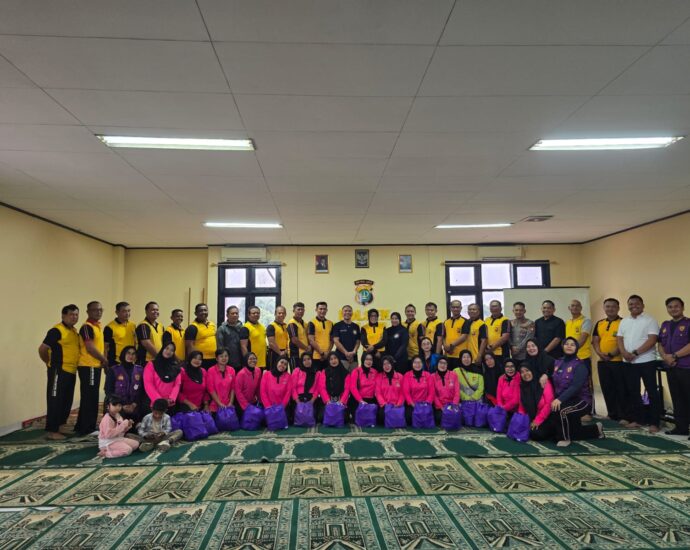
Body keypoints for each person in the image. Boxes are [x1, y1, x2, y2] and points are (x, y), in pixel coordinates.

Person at [616, 295, 661, 432]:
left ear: (643, 305)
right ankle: (638, 419)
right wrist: (624, 353)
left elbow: (652, 340)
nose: (634, 306)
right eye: (631, 304)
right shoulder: (624, 321)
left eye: (637, 303)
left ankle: (654, 423)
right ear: (628, 306)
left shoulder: (650, 320)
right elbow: (619, 339)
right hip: (628, 362)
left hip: (646, 361)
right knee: (633, 392)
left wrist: (635, 353)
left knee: (652, 392)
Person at [39, 304, 80, 440]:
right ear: (63, 316)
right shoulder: (56, 330)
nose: (74, 317)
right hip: (58, 370)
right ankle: (52, 430)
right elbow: (42, 349)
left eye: (76, 314)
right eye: (71, 314)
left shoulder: (74, 331)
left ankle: (61, 425)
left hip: (71, 371)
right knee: (55, 400)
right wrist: (49, 363)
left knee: (66, 400)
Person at [551, 337, 603, 446]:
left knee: (562, 411)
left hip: (581, 400)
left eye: (572, 344)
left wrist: (559, 399)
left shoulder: (580, 365)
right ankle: (596, 429)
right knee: (574, 433)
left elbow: (575, 386)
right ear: (563, 346)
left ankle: (564, 438)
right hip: (567, 400)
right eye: (567, 344)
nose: (569, 346)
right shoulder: (558, 362)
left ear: (577, 348)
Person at [658, 297, 690, 437]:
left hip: (686, 367)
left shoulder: (688, 323)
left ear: (682, 307)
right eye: (670, 307)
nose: (673, 309)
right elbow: (660, 344)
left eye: (676, 306)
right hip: (671, 367)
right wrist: (665, 357)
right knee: (677, 399)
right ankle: (681, 428)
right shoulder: (665, 325)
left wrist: (674, 356)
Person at [75, 301, 108, 435]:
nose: (98, 312)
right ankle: (87, 428)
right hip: (88, 366)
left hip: (95, 366)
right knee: (90, 397)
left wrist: (102, 360)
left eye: (100, 310)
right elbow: (90, 347)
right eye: (95, 310)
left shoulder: (97, 326)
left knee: (91, 396)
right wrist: (104, 359)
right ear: (88, 312)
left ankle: (81, 425)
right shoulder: (86, 327)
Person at [592, 298, 624, 422]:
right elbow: (595, 340)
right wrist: (600, 353)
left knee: (620, 389)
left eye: (613, 306)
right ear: (604, 308)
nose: (610, 309)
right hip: (602, 362)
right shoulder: (600, 323)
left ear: (618, 308)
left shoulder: (623, 322)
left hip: (618, 361)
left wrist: (611, 354)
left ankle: (622, 415)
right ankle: (611, 414)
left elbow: (624, 341)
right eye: (608, 306)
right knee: (607, 388)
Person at [566, 299, 594, 418]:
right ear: (569, 308)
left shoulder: (586, 321)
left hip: (583, 358)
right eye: (572, 305)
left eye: (577, 305)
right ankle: (577, 410)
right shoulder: (568, 322)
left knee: (585, 386)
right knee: (573, 386)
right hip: (570, 360)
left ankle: (588, 412)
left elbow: (583, 338)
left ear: (581, 308)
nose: (575, 307)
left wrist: (571, 350)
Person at [104, 346, 145, 422]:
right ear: (123, 354)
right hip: (117, 405)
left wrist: (134, 404)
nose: (130, 356)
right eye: (128, 353)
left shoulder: (140, 370)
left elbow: (142, 391)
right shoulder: (114, 369)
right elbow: (108, 390)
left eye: (133, 354)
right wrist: (121, 405)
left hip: (134, 405)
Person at [518, 364, 556, 441]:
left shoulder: (544, 382)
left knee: (536, 434)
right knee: (516, 426)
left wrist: (537, 420)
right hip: (532, 418)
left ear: (533, 371)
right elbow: (522, 406)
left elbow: (549, 404)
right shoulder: (523, 385)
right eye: (522, 372)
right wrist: (521, 420)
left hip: (547, 417)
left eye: (527, 370)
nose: (525, 374)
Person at [143, 343, 182, 409]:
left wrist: (171, 398)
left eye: (172, 350)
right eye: (167, 348)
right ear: (162, 349)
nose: (168, 351)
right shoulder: (151, 365)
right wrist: (159, 400)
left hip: (169, 404)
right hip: (154, 404)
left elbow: (177, 384)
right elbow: (148, 384)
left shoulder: (176, 367)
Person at [315, 352, 352, 423]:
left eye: (335, 358)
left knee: (345, 418)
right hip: (328, 401)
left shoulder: (345, 373)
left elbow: (347, 389)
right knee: (321, 417)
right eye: (331, 359)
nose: (333, 361)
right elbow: (322, 388)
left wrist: (341, 402)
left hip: (340, 401)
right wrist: (327, 401)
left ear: (338, 359)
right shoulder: (324, 372)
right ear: (329, 361)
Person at [402, 356, 435, 425]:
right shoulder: (407, 375)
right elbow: (406, 393)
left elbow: (431, 392)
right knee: (409, 418)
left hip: (425, 404)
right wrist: (413, 404)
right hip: (412, 404)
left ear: (422, 364)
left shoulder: (428, 375)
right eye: (415, 362)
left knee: (428, 417)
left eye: (419, 362)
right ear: (412, 364)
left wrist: (426, 404)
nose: (417, 365)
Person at [348, 351, 379, 420]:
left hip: (371, 400)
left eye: (370, 359)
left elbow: (377, 388)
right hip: (357, 400)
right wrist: (361, 400)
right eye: (366, 359)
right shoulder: (356, 371)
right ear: (362, 360)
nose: (369, 361)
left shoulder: (375, 372)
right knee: (359, 418)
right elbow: (353, 388)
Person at [103, 302, 137, 367]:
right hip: (115, 362)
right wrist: (105, 362)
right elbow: (105, 347)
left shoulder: (133, 325)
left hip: (130, 361)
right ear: (117, 312)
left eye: (129, 311)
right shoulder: (110, 327)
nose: (127, 313)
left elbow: (135, 343)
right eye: (124, 311)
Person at [185, 303, 217, 369]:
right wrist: (193, 361)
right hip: (200, 360)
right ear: (195, 313)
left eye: (205, 310)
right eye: (201, 311)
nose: (203, 312)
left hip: (214, 358)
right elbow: (189, 346)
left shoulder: (212, 324)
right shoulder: (192, 327)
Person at [431, 357, 460, 424]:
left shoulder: (454, 375)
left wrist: (453, 405)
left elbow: (457, 392)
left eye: (445, 363)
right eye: (440, 363)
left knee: (456, 417)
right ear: (437, 364)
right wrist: (441, 407)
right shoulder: (432, 376)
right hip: (440, 406)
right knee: (439, 418)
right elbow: (434, 395)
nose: (442, 365)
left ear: (447, 365)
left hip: (452, 404)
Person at [376, 356, 404, 424]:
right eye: (384, 364)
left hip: (397, 405)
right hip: (385, 405)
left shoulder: (400, 376)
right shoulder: (379, 377)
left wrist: (398, 404)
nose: (386, 366)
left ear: (392, 364)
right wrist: (384, 404)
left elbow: (403, 393)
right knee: (381, 417)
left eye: (388, 363)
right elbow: (378, 393)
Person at [291, 353, 320, 420]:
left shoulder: (317, 372)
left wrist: (312, 401)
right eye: (304, 360)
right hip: (298, 398)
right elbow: (292, 387)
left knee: (314, 417)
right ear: (301, 361)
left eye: (308, 359)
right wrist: (298, 401)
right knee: (297, 417)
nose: (307, 361)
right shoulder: (297, 371)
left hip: (311, 398)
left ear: (312, 360)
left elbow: (317, 389)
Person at [332, 305, 361, 372]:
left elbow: (358, 341)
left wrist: (354, 352)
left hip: (354, 358)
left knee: (354, 377)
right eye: (345, 311)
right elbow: (336, 341)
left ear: (352, 313)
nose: (347, 312)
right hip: (341, 358)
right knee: (342, 377)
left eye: (349, 311)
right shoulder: (337, 325)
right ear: (342, 313)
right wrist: (346, 353)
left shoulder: (356, 326)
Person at [442, 300, 470, 369]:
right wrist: (445, 345)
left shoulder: (465, 321)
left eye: (457, 307)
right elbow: (443, 336)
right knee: (449, 374)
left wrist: (451, 346)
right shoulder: (446, 322)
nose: (455, 309)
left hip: (460, 355)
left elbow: (464, 337)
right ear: (450, 308)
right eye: (453, 307)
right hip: (448, 354)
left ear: (461, 308)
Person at [234, 352, 262, 419]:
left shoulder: (258, 370)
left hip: (252, 402)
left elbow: (258, 388)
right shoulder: (241, 374)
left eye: (254, 358)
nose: (253, 360)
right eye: (250, 359)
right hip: (241, 404)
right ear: (246, 360)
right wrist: (246, 406)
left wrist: (260, 400)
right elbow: (238, 392)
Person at [136, 301, 164, 367]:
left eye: (157, 310)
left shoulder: (160, 326)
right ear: (146, 311)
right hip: (146, 361)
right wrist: (159, 357)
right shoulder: (143, 325)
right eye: (153, 310)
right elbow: (146, 344)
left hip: (158, 360)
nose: (155, 312)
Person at [216, 305, 244, 371]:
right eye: (232, 313)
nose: (235, 315)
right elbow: (220, 347)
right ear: (227, 315)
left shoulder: (242, 328)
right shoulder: (222, 329)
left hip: (241, 362)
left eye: (236, 313)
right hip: (227, 362)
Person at [207, 348, 235, 413]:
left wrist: (231, 402)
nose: (224, 358)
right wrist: (219, 403)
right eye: (221, 356)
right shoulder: (211, 371)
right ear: (216, 358)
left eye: (226, 356)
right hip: (214, 406)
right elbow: (211, 389)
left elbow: (233, 388)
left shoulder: (232, 370)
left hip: (228, 405)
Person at [308, 302, 333, 371]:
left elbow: (332, 340)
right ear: (316, 310)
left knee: (327, 376)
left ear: (327, 310)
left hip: (327, 356)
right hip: (316, 356)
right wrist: (322, 353)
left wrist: (327, 353)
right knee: (317, 376)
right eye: (320, 309)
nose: (322, 311)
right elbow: (311, 340)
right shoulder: (312, 323)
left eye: (324, 309)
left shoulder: (330, 323)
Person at [484, 300, 511, 364]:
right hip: (489, 353)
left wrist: (491, 348)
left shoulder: (505, 320)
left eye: (495, 306)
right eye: (492, 306)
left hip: (501, 353)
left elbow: (505, 337)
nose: (493, 308)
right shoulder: (487, 320)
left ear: (500, 308)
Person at [287, 302, 311, 371]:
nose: (300, 311)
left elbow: (308, 337)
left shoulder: (305, 324)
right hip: (295, 354)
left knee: (304, 374)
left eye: (302, 309)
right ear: (293, 311)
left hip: (304, 354)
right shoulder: (292, 323)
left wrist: (309, 346)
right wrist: (306, 348)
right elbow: (294, 340)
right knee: (296, 374)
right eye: (298, 309)